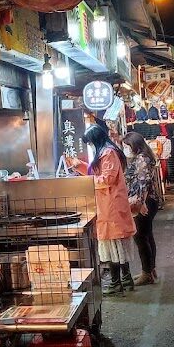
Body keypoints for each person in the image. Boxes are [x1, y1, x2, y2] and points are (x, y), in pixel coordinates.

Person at [68, 124, 136, 295]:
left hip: (111, 205)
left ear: (96, 140)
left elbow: (107, 179)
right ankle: (125, 280)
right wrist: (79, 165)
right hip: (108, 205)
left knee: (113, 244)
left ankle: (116, 283)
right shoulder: (106, 151)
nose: (90, 146)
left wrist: (85, 183)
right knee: (116, 244)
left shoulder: (108, 152)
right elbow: (95, 172)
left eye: (90, 143)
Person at [122, 131, 160, 286]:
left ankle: (147, 273)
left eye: (126, 145)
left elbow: (143, 182)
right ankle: (150, 269)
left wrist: (141, 203)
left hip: (143, 201)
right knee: (147, 236)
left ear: (134, 145)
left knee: (141, 237)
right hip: (147, 200)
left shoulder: (142, 158)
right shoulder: (143, 157)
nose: (125, 148)